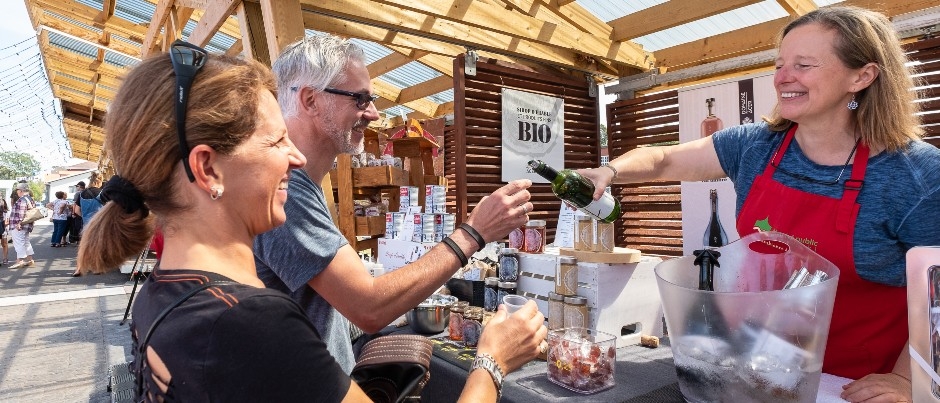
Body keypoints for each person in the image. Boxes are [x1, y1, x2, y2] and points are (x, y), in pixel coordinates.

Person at [78, 42, 545, 401]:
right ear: (208, 169)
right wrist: (492, 360)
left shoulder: (163, 295)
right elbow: (363, 305)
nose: (296, 157)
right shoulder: (252, 323)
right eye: (276, 141)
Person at [580, 6, 940, 402]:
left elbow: (938, 297)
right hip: (760, 371)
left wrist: (908, 380)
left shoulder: (917, 176)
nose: (783, 77)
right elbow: (663, 159)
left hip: (856, 385)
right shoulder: (755, 146)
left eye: (803, 64)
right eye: (780, 63)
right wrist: (609, 172)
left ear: (862, 76)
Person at [254, 33, 536, 373]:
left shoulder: (302, 183)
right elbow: (368, 306)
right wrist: (473, 232)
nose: (373, 113)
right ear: (311, 100)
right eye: (359, 99)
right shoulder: (288, 190)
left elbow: (320, 307)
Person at [8, 182, 37, 269]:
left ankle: (20, 261)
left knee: (19, 242)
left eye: (17, 190)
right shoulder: (30, 199)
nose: (17, 192)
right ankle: (30, 259)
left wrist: (18, 223)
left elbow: (21, 213)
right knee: (26, 242)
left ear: (20, 190)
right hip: (27, 225)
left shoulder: (22, 200)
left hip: (19, 225)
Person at [0, 196, 9, 265]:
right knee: (4, 244)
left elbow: (7, 222)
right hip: (3, 228)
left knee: (4, 244)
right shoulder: (5, 212)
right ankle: (5, 259)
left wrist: (5, 223)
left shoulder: (6, 212)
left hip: (4, 229)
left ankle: (5, 258)